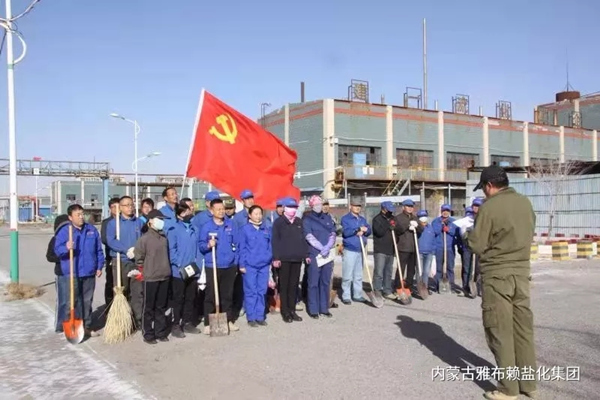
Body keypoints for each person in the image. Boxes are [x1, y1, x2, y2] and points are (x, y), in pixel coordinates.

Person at [464, 165, 537, 400]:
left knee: (500, 331)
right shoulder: (525, 203)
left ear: (489, 185)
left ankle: (508, 389)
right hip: (521, 274)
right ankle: (529, 385)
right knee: (522, 330)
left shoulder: (490, 207)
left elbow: (477, 245)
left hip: (497, 275)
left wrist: (467, 235)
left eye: (483, 188)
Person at [53, 204, 104, 337]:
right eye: (78, 215)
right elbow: (57, 250)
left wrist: (99, 266)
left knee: (87, 301)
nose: (81, 217)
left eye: (82, 214)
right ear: (70, 217)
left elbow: (98, 250)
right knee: (72, 302)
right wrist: (66, 247)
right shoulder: (65, 231)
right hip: (72, 273)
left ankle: (86, 326)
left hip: (89, 272)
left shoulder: (91, 230)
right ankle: (71, 327)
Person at [198, 198, 241, 334]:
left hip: (229, 265)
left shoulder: (231, 224)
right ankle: (208, 323)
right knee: (211, 295)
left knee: (227, 295)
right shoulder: (207, 227)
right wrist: (208, 245)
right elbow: (201, 245)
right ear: (211, 211)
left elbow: (237, 244)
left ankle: (228, 320)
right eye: (218, 209)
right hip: (213, 265)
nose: (221, 211)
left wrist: (235, 261)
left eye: (222, 209)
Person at [106, 196, 145, 327]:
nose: (130, 207)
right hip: (121, 261)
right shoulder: (113, 223)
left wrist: (137, 250)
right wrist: (125, 250)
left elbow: (143, 239)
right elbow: (110, 240)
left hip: (136, 262)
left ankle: (138, 319)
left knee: (137, 291)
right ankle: (124, 320)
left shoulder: (139, 222)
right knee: (122, 290)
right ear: (120, 208)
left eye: (131, 204)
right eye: (126, 205)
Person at [134, 209, 172, 345]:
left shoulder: (164, 238)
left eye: (162, 220)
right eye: (159, 219)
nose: (161, 222)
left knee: (161, 306)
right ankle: (148, 333)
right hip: (150, 277)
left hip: (164, 276)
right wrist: (145, 270)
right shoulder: (144, 239)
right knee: (148, 307)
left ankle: (160, 332)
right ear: (150, 221)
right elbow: (139, 258)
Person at [166, 201, 200, 338]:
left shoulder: (194, 229)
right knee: (178, 298)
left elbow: (198, 249)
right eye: (184, 212)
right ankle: (175, 324)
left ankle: (187, 322)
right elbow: (171, 249)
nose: (188, 213)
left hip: (192, 269)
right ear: (179, 215)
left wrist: (198, 264)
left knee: (191, 297)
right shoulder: (173, 229)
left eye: (188, 211)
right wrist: (179, 263)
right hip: (179, 271)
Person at [271, 197, 308, 323]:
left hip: (297, 259)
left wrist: (306, 254)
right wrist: (276, 257)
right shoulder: (278, 223)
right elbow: (275, 241)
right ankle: (285, 311)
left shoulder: (298, 222)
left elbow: (303, 239)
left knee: (293, 286)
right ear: (284, 208)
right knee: (284, 286)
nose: (292, 210)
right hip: (283, 259)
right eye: (290, 207)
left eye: (294, 207)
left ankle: (292, 310)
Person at [303, 195, 336, 319]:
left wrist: (327, 246)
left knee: (325, 281)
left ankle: (324, 308)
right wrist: (321, 247)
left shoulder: (327, 218)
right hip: (315, 254)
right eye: (316, 204)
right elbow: (308, 236)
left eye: (320, 204)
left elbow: (333, 233)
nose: (319, 206)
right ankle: (313, 309)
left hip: (327, 254)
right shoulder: (307, 219)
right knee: (313, 282)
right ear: (312, 206)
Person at [239, 205, 272, 327]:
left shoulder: (266, 229)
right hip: (250, 266)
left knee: (262, 291)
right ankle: (251, 317)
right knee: (251, 291)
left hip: (264, 265)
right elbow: (241, 248)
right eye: (256, 214)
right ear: (250, 215)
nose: (258, 216)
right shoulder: (244, 230)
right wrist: (242, 264)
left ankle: (260, 316)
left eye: (260, 214)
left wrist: (269, 258)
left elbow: (270, 246)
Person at [340, 196, 371, 305]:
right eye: (355, 206)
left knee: (358, 275)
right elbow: (346, 232)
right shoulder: (345, 219)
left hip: (360, 250)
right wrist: (357, 229)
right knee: (347, 275)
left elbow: (369, 230)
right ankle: (346, 296)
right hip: (350, 250)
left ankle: (357, 295)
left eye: (359, 206)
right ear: (350, 206)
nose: (357, 208)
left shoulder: (362, 219)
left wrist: (365, 230)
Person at [393, 199, 423, 302]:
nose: (410, 208)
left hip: (414, 248)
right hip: (403, 247)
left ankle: (408, 287)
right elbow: (397, 230)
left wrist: (417, 226)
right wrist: (407, 225)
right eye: (408, 206)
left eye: (411, 206)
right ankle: (398, 286)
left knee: (411, 270)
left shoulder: (415, 218)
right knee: (401, 269)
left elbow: (421, 230)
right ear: (403, 207)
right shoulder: (398, 218)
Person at [46, 214, 70, 333]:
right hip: (62, 274)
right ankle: (60, 324)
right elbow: (49, 256)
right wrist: (63, 257)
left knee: (76, 300)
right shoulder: (55, 239)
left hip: (77, 273)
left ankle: (73, 321)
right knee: (63, 300)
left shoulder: (76, 237)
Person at [431, 204, 460, 293]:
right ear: (441, 211)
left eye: (447, 211)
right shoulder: (436, 221)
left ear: (449, 212)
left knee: (450, 267)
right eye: (444, 210)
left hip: (449, 248)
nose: (445, 212)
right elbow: (434, 232)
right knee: (439, 268)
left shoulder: (454, 222)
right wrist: (441, 227)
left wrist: (449, 230)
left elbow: (457, 234)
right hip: (439, 247)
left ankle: (450, 285)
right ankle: (438, 286)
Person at [371, 201, 397, 300]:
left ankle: (387, 290)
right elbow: (379, 232)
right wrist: (388, 225)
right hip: (380, 250)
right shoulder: (377, 219)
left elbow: (397, 231)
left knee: (388, 272)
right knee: (379, 272)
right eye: (388, 210)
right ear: (383, 209)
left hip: (391, 249)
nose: (390, 212)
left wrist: (395, 228)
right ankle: (377, 290)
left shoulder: (393, 218)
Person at [101, 198, 120, 308]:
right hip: (111, 257)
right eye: (113, 207)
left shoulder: (125, 221)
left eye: (118, 207)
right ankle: (109, 307)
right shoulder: (107, 223)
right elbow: (105, 239)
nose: (116, 209)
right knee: (110, 282)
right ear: (110, 209)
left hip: (124, 258)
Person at [457, 206, 476, 297]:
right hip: (466, 248)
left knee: (476, 269)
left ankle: (476, 287)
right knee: (466, 268)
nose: (469, 215)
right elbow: (460, 237)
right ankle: (465, 288)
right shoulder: (462, 224)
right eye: (468, 213)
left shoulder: (477, 222)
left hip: (476, 248)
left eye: (470, 213)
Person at [416, 210, 435, 294]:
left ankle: (425, 287)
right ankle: (419, 287)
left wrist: (433, 250)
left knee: (426, 272)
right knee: (419, 271)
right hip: (419, 252)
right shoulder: (416, 228)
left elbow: (433, 240)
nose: (423, 219)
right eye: (421, 217)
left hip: (429, 253)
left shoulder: (430, 228)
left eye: (424, 216)